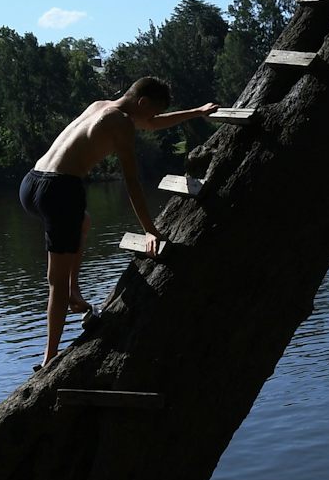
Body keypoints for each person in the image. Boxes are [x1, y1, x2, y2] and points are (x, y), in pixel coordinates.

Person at [19, 76, 217, 368]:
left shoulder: (100, 106)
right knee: (55, 281)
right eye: (153, 111)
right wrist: (150, 229)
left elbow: (151, 124)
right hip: (60, 189)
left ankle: (75, 291)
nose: (152, 120)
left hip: (32, 182)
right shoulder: (121, 123)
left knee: (81, 222)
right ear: (143, 102)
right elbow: (133, 182)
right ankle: (50, 357)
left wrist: (197, 112)